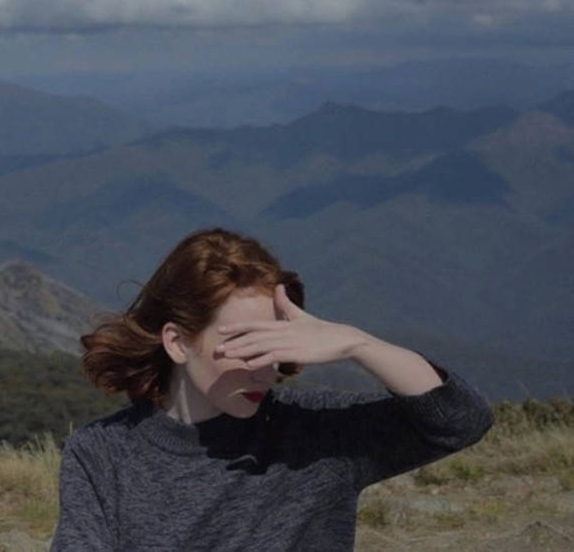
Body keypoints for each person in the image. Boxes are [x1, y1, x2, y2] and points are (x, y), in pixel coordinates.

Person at [51, 227, 493, 551]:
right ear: (177, 342)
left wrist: (360, 344)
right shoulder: (101, 454)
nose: (265, 369)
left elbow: (462, 422)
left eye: (276, 345)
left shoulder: (317, 434)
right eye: (245, 344)